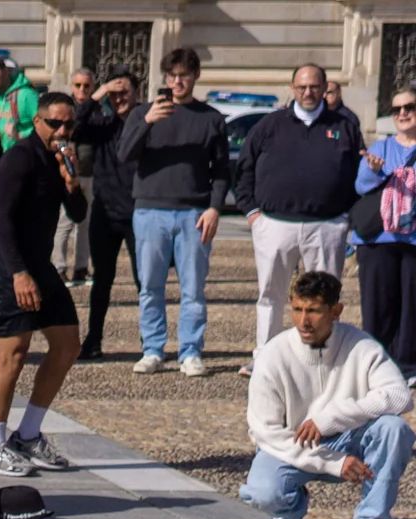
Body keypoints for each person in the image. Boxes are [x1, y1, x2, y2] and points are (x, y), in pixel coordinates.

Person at [239, 271, 411, 519]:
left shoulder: (361, 346)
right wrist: (333, 463)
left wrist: (330, 417)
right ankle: (290, 509)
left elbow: (399, 396)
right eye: (297, 309)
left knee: (394, 429)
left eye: (314, 311)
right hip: (295, 445)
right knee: (261, 492)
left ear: (336, 311)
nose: (304, 321)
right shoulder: (272, 355)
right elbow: (264, 431)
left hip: (351, 438)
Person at [0, 92, 87, 478]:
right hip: (11, 266)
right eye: (54, 123)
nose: (61, 130)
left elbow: (78, 213)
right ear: (37, 122)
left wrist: (71, 182)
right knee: (14, 352)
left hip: (41, 266)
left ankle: (28, 434)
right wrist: (18, 272)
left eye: (67, 124)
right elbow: (1, 218)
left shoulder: (60, 160)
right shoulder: (20, 157)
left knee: (67, 344)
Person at [236, 63, 361, 377]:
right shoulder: (269, 125)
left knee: (324, 296)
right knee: (271, 294)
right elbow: (244, 169)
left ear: (324, 88)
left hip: (327, 225)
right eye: (302, 86)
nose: (308, 92)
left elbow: (358, 176)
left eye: (315, 87)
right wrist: (252, 212)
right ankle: (264, 358)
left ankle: (321, 357)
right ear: (292, 88)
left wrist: (347, 217)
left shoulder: (344, 126)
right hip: (274, 224)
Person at [119, 46, 230, 378]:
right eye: (171, 76)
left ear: (195, 76)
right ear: (164, 78)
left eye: (183, 75)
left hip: (193, 212)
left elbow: (222, 170)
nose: (177, 82)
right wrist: (147, 122)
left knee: (193, 287)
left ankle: (191, 350)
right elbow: (124, 154)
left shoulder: (211, 118)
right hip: (150, 210)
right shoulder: (143, 113)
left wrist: (214, 208)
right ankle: (152, 348)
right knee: (150, 285)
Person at [72, 66, 141, 360]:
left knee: (145, 281)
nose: (119, 98)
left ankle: (148, 340)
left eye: (124, 91)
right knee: (102, 280)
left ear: (137, 92)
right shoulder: (102, 123)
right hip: (105, 210)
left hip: (139, 212)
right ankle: (94, 338)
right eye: (114, 93)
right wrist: (97, 95)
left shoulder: (145, 121)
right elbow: (75, 125)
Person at [353, 86, 416, 379]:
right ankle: (376, 366)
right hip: (379, 239)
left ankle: (407, 366)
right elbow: (361, 186)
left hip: (413, 241)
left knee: (411, 306)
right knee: (378, 304)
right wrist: (374, 170)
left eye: (409, 107)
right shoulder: (381, 147)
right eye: (397, 109)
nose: (402, 113)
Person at [52, 67, 95, 286]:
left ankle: (81, 268)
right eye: (78, 85)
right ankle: (59, 267)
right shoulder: (68, 109)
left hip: (90, 172)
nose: (82, 90)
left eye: (87, 86)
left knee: (85, 224)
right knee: (65, 222)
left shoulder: (97, 109)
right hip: (70, 172)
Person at [0, 55, 38, 151]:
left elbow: (45, 128)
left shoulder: (27, 96)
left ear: (6, 71)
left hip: (21, 155)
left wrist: (20, 135)